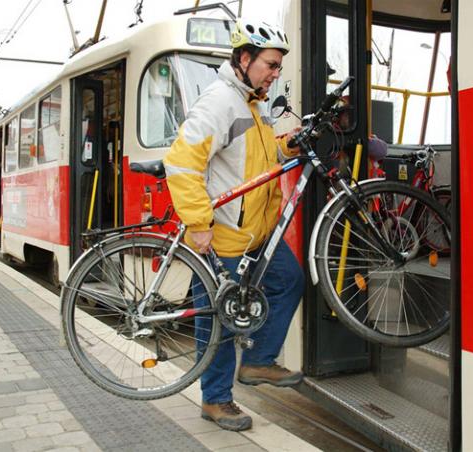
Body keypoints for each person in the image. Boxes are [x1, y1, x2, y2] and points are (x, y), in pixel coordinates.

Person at [162, 18, 304, 432]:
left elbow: (253, 156)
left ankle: (258, 361)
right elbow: (182, 161)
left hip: (256, 231)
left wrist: (286, 143)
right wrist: (198, 221)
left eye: (278, 67)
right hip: (224, 232)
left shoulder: (252, 103)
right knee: (219, 319)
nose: (275, 74)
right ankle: (216, 400)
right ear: (244, 58)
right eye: (271, 65)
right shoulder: (219, 102)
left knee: (289, 280)